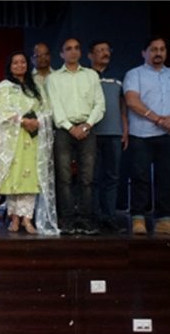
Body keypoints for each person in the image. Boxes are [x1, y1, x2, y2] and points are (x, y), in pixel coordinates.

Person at [0, 51, 59, 235]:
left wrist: (37, 120)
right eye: (15, 63)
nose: (20, 66)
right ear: (10, 66)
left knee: (31, 179)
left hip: (33, 137)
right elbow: (0, 112)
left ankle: (27, 219)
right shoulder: (3, 87)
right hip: (13, 139)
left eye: (23, 62)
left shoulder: (36, 87)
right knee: (14, 178)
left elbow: (47, 110)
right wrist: (23, 120)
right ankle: (14, 218)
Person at [47, 38, 105, 235]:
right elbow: (54, 106)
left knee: (87, 177)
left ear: (80, 52)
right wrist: (71, 127)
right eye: (68, 49)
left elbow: (100, 104)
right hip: (64, 130)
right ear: (62, 54)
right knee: (63, 178)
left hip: (87, 129)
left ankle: (86, 219)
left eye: (76, 48)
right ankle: (68, 219)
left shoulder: (91, 76)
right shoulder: (53, 78)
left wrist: (87, 125)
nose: (73, 52)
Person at [123, 36, 170, 235]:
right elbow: (132, 101)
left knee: (165, 177)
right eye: (153, 49)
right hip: (141, 134)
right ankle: (138, 217)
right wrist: (158, 119)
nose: (158, 53)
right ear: (144, 53)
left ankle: (163, 218)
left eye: (161, 49)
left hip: (167, 134)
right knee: (140, 176)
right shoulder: (135, 74)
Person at [88, 40, 128, 233]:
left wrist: (125, 128)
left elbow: (122, 104)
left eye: (107, 49)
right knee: (93, 178)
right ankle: (94, 218)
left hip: (114, 133)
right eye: (100, 50)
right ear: (90, 55)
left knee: (112, 177)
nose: (105, 53)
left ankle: (109, 217)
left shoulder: (118, 75)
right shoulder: (86, 76)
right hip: (93, 133)